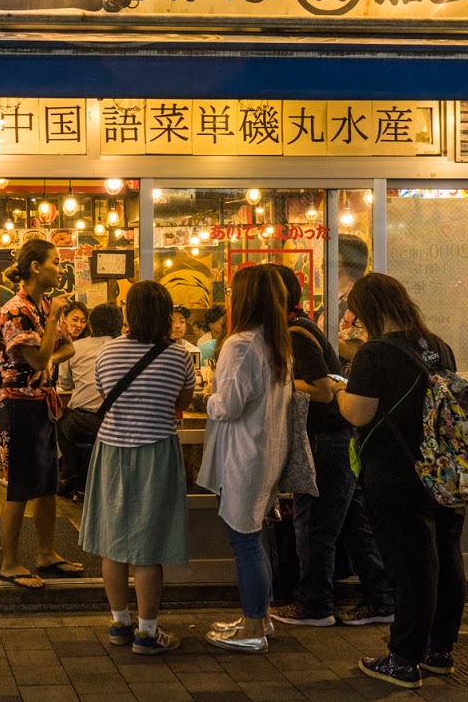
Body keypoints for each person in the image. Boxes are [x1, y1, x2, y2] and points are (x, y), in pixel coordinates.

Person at [335, 273, 464, 690]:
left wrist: (340, 388)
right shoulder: (436, 345)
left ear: (369, 310)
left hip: (396, 471)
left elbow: (358, 413)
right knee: (445, 555)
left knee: (411, 566)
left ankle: (403, 659)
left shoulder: (375, 353)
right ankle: (439, 650)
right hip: (442, 468)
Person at [263, 265, 395, 630]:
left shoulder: (296, 333)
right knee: (353, 525)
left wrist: (281, 387)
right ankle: (382, 600)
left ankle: (314, 605)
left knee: (314, 526)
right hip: (337, 439)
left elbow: (321, 389)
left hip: (324, 440)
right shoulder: (301, 327)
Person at [80, 281, 198, 656]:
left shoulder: (108, 351)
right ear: (166, 315)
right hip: (156, 451)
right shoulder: (180, 356)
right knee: (148, 548)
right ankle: (147, 633)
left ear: (128, 313)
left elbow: (104, 393)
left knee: (112, 544)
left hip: (112, 450)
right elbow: (182, 400)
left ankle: (119, 624)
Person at [199, 265, 293, 653]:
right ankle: (259, 617)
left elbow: (229, 405)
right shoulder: (276, 343)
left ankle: (253, 627)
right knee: (255, 537)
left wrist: (207, 394)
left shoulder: (240, 344)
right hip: (265, 452)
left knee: (245, 541)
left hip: (244, 455)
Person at [0, 239, 80, 589]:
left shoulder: (42, 305)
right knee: (19, 486)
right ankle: (9, 563)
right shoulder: (16, 310)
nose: (61, 268)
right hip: (17, 405)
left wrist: (50, 360)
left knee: (46, 485)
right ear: (35, 267)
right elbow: (38, 359)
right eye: (56, 262)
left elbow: (66, 347)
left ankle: (46, 553)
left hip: (43, 403)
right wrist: (55, 322)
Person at [56, 303, 123, 499]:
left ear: (91, 324)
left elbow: (66, 384)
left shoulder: (75, 347)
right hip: (120, 423)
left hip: (84, 422)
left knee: (62, 426)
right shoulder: (129, 348)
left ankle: (74, 477)